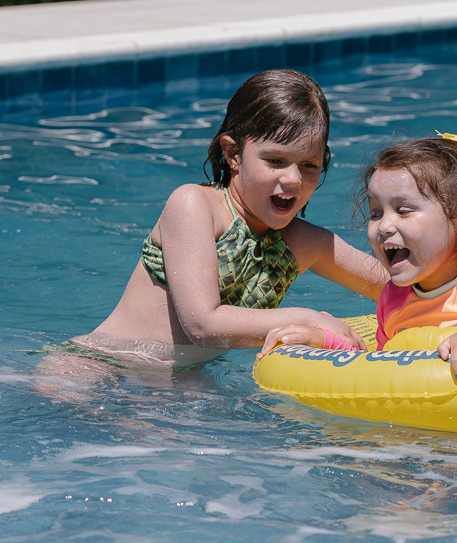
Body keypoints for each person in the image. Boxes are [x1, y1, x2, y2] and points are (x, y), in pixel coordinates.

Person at [34, 70, 388, 399]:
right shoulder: (193, 206)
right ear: (233, 153)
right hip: (95, 368)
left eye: (309, 165)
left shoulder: (307, 243)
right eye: (275, 161)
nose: (294, 179)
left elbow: (395, 284)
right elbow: (203, 324)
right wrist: (310, 318)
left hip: (181, 382)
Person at [259, 132, 457, 390]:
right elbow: (378, 365)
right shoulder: (395, 296)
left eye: (404, 210)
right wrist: (321, 341)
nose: (383, 226)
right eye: (375, 213)